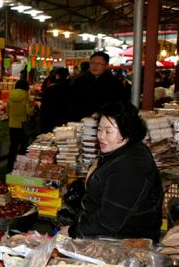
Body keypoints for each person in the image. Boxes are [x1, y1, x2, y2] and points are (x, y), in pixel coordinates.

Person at [61, 101, 163, 242]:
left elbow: (109, 221)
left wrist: (73, 232)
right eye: (99, 129)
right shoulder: (120, 151)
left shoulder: (131, 166)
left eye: (108, 131)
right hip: (105, 233)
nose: (101, 136)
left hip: (123, 243)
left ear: (127, 131)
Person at [68, 52, 126, 122]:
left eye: (99, 64)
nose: (94, 66)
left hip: (106, 122)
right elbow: (72, 102)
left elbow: (119, 105)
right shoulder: (80, 81)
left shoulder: (115, 83)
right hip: (81, 121)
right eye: (92, 63)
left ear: (107, 66)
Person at [6, 79, 33, 173]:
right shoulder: (26, 96)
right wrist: (33, 109)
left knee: (13, 146)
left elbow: (7, 111)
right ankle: (20, 167)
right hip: (23, 125)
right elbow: (29, 111)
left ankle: (9, 166)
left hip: (12, 124)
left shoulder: (11, 95)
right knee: (23, 146)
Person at [40, 67, 70, 133]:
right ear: (67, 76)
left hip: (51, 121)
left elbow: (44, 108)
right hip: (67, 122)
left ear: (57, 76)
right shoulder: (72, 89)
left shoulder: (50, 89)